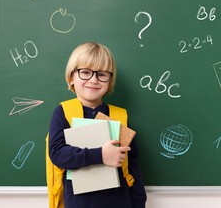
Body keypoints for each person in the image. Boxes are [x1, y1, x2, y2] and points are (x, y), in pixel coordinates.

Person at [48, 42, 147, 208]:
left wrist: (139, 203)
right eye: (85, 72)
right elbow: (58, 154)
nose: (93, 80)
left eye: (102, 74)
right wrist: (101, 155)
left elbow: (133, 166)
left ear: (109, 80)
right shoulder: (63, 112)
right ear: (71, 77)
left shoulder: (119, 116)